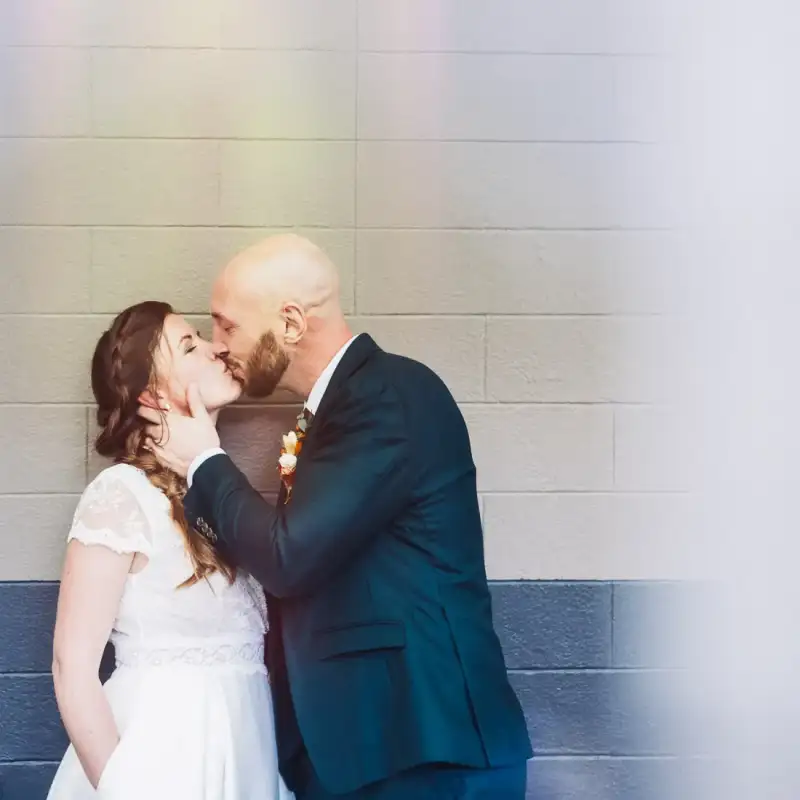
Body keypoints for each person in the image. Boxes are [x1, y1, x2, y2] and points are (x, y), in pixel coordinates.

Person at [143, 235, 533, 799]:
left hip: (423, 753)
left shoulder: (386, 395)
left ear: (292, 324)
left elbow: (288, 558)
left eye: (227, 326)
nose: (220, 345)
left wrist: (204, 459)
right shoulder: (339, 409)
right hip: (366, 754)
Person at [47, 301, 293, 800]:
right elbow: (71, 668)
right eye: (190, 345)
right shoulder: (120, 495)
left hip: (246, 756)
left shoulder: (221, 489)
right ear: (151, 395)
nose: (217, 347)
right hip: (161, 767)